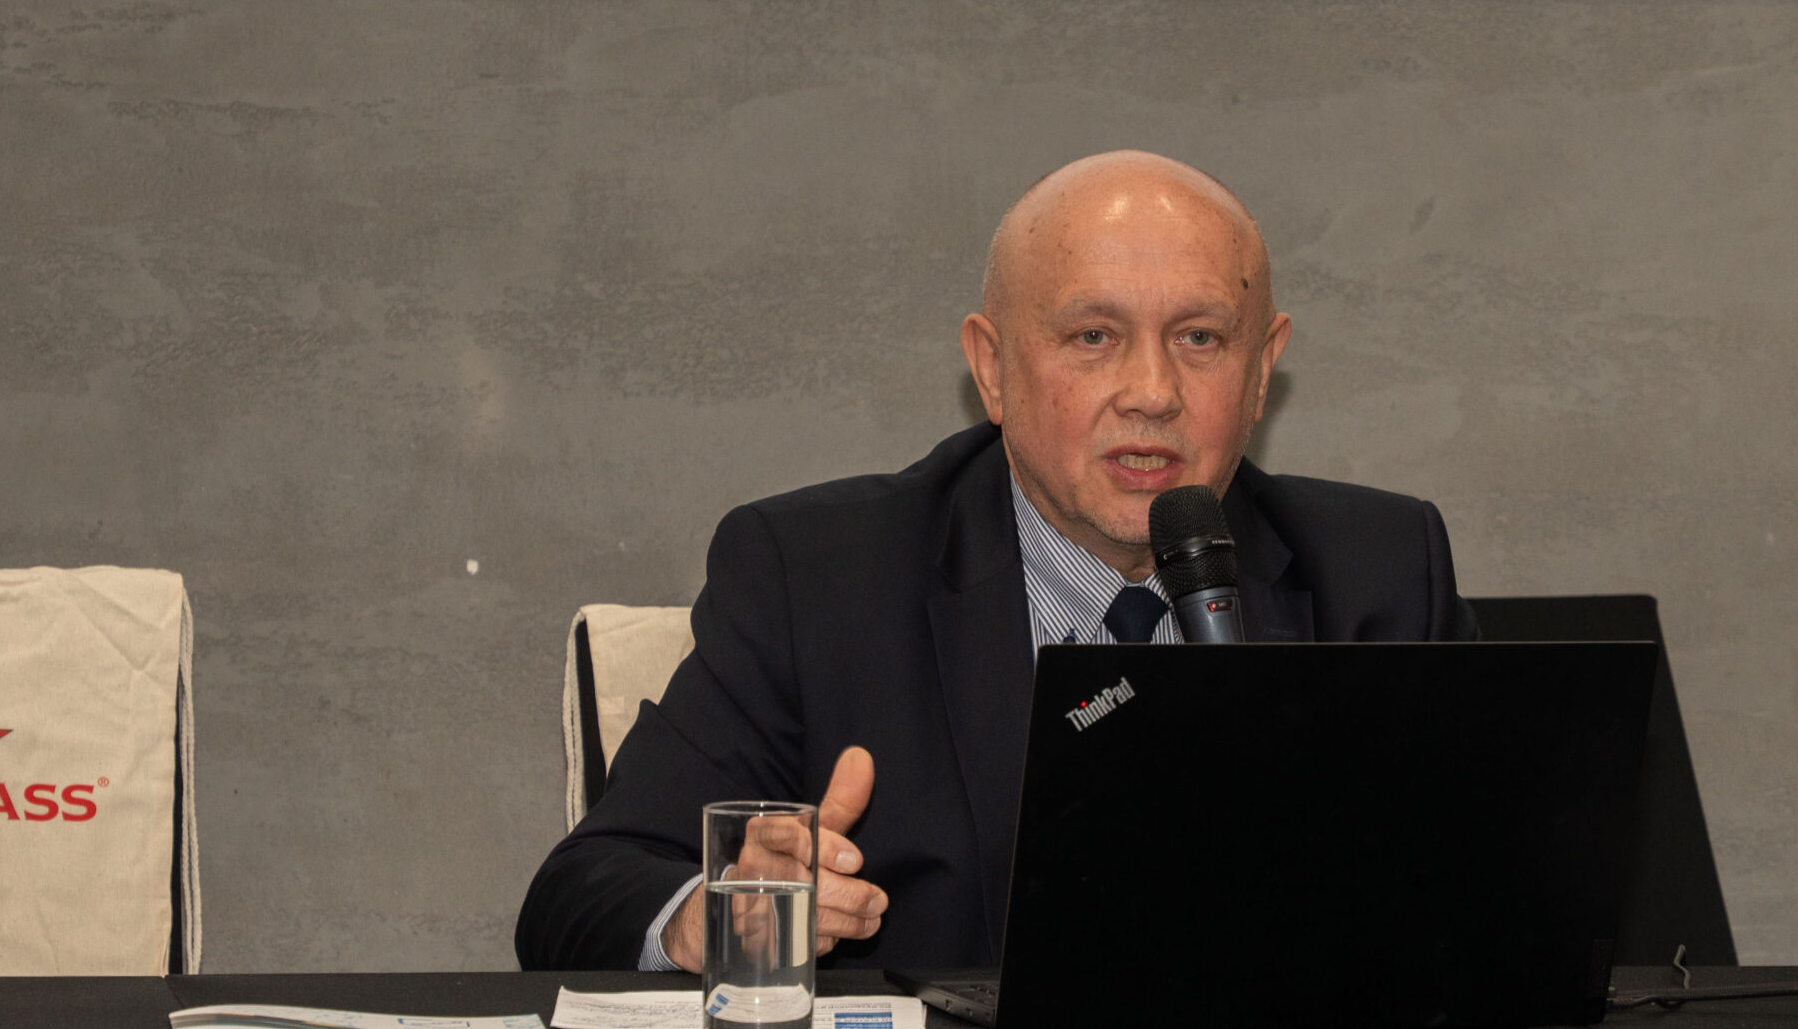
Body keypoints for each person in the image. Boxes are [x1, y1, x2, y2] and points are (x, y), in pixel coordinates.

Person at [515, 151, 1479, 972]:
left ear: (1263, 369)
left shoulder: (1383, 576)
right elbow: (585, 891)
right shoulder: (819, 580)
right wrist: (715, 912)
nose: (1152, 392)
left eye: (1200, 338)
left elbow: (1504, 893)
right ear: (992, 368)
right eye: (1094, 337)